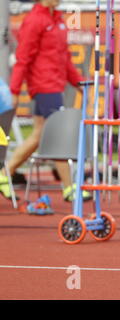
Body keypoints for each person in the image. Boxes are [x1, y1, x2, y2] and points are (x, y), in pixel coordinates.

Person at [0, 0, 91, 202]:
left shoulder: (57, 19)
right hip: (43, 86)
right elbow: (23, 58)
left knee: (40, 136)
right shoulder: (35, 20)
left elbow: (64, 57)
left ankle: (5, 173)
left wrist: (78, 83)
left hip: (56, 85)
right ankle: (69, 188)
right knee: (57, 135)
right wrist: (14, 91)